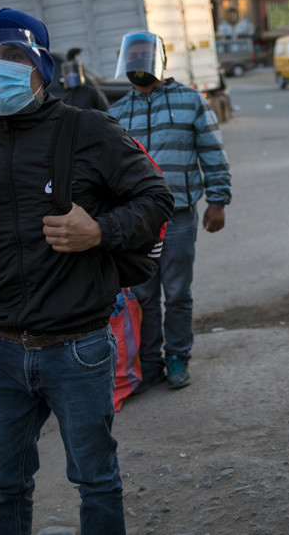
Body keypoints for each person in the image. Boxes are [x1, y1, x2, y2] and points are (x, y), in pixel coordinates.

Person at [0, 9, 173, 535]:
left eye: (12, 56)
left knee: (97, 480)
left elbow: (157, 198)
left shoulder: (89, 130)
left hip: (78, 348)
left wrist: (100, 231)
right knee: (6, 485)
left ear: (42, 65)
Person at [107, 31, 232, 392]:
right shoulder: (117, 113)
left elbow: (212, 152)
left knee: (177, 291)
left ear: (159, 60)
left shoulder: (190, 100)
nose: (136, 65)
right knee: (143, 294)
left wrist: (218, 200)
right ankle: (150, 361)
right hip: (135, 222)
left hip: (178, 217)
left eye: (143, 56)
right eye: (131, 58)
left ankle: (178, 356)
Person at [61, 47, 110, 111]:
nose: (71, 76)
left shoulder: (91, 92)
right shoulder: (66, 97)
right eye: (68, 74)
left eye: (74, 72)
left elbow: (106, 112)